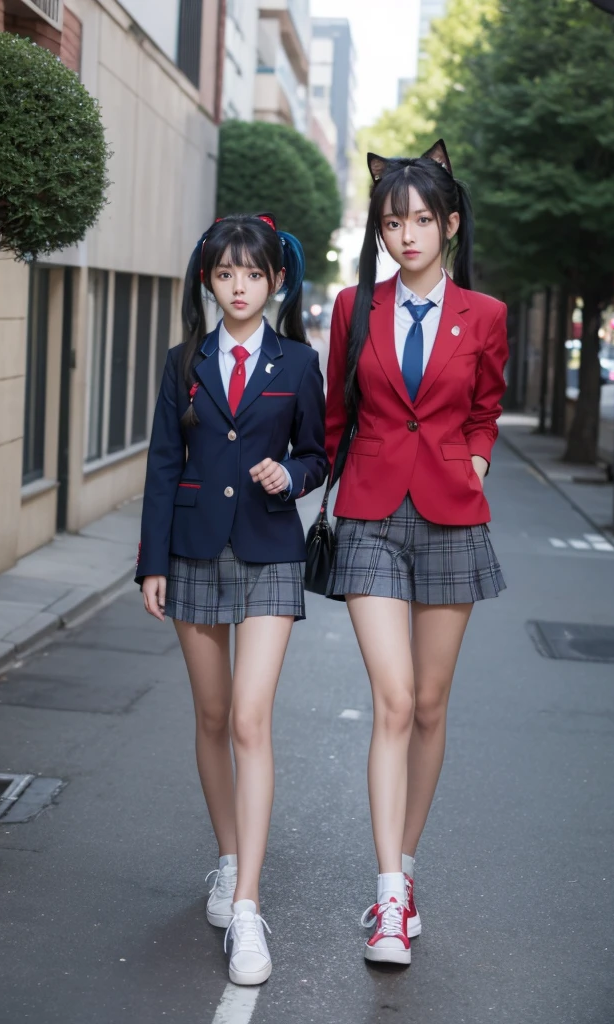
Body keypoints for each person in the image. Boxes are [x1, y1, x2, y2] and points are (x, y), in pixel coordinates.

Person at [325, 141, 507, 965]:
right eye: (392, 221)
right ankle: (389, 900)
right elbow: (334, 410)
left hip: (450, 515)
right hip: (367, 512)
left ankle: (408, 862)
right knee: (393, 698)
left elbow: (485, 408)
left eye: (421, 221)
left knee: (431, 704)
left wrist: (473, 462)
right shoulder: (350, 307)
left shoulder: (486, 314)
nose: (405, 235)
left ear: (450, 226)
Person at [136, 213, 327, 985]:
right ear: (208, 281)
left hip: (270, 550)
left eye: (253, 273)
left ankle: (247, 905)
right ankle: (227, 858)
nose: (239, 286)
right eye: (225, 274)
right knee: (212, 718)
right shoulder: (184, 361)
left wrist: (296, 475)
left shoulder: (299, 362)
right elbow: (160, 462)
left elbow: (318, 449)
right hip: (191, 549)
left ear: (276, 280)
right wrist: (152, 562)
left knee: (250, 718)